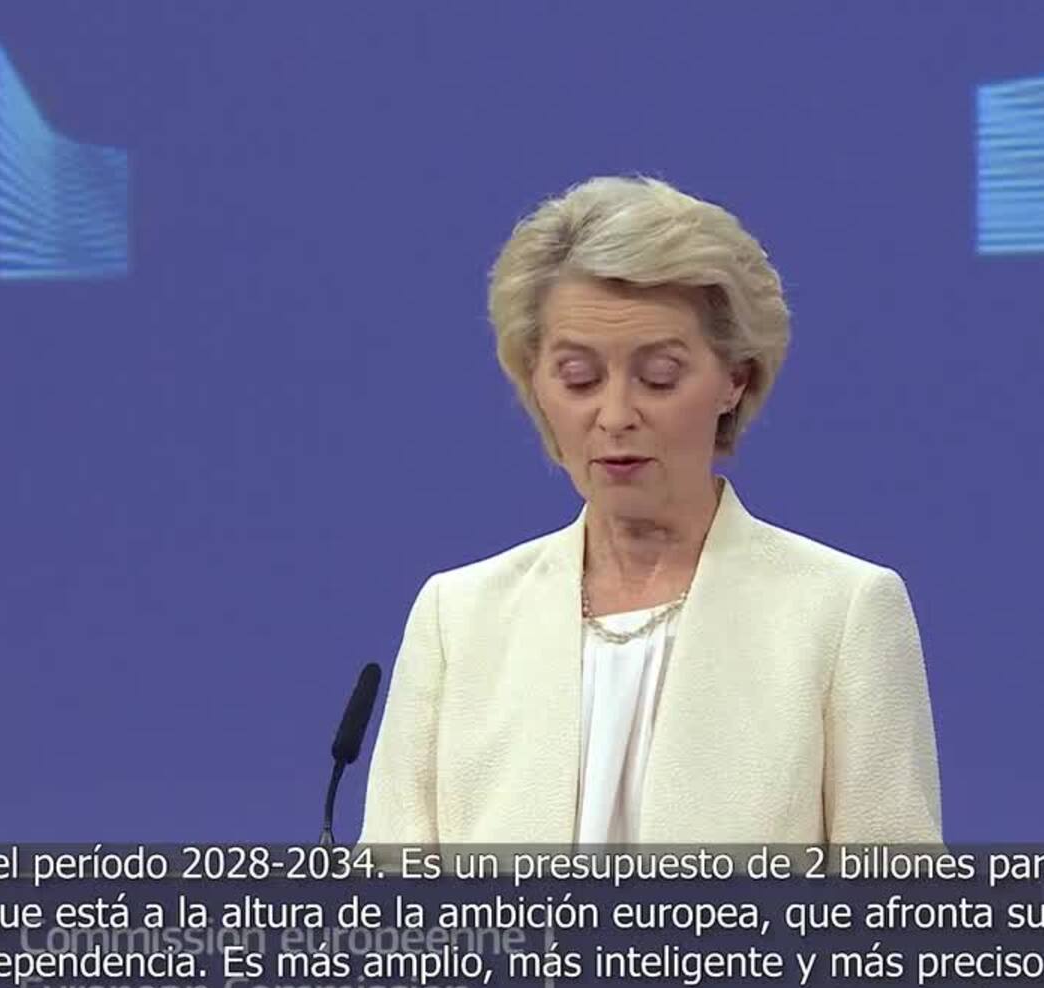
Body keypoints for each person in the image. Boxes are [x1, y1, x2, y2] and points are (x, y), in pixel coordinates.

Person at [359, 176, 941, 847]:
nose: (614, 415)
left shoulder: (841, 613)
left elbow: (896, 900)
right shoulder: (458, 619)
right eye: (578, 378)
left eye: (659, 377)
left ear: (735, 379)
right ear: (535, 383)